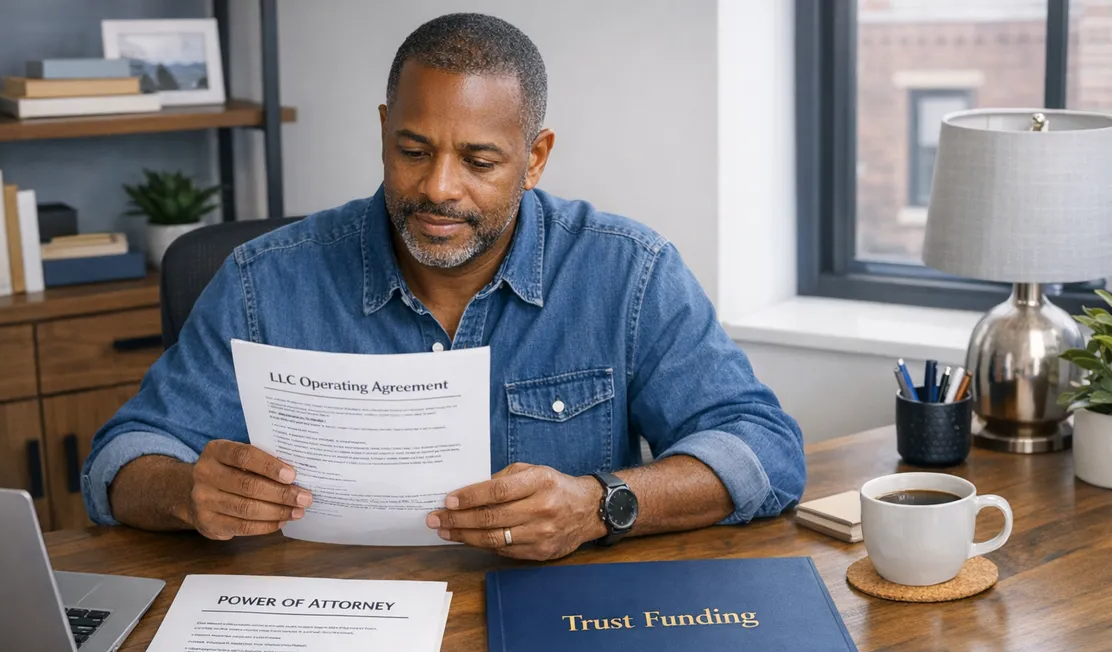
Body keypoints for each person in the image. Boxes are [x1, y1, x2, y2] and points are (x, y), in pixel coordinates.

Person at [82, 12, 805, 561]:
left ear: (535, 158)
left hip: (553, 622)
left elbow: (765, 449)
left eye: (480, 160)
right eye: (413, 150)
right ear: (383, 131)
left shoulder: (628, 271)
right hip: (325, 620)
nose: (437, 189)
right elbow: (120, 460)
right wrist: (186, 492)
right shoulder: (261, 280)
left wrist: (599, 503)